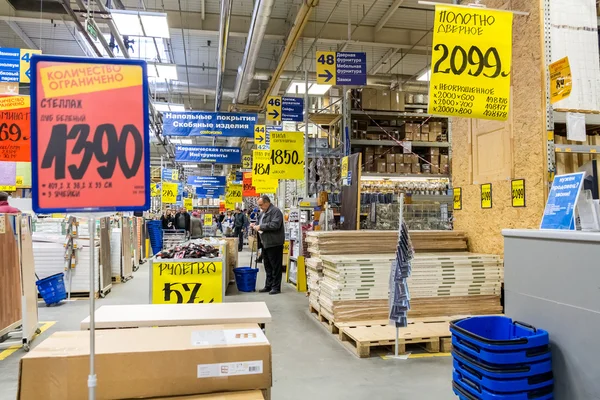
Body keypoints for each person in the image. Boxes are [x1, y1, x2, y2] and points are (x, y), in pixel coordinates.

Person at [252, 195, 285, 295]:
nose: (260, 207)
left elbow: (275, 225)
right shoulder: (263, 213)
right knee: (267, 266)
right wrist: (254, 225)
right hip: (265, 243)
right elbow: (258, 223)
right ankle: (268, 285)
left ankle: (276, 287)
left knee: (275, 266)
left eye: (261, 205)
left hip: (274, 243)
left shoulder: (275, 211)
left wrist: (261, 226)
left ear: (267, 202)